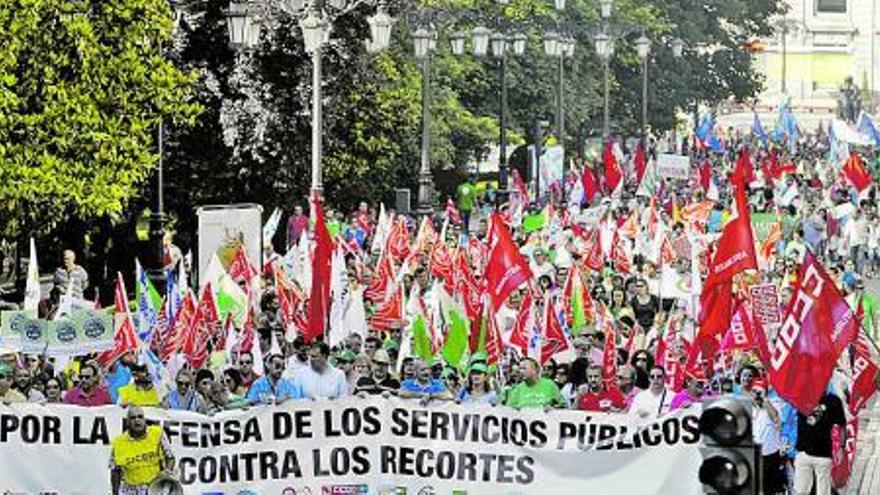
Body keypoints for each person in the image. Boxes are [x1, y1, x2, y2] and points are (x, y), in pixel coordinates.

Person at [110, 406, 175, 495]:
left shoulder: (157, 433)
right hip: (130, 489)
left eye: (140, 417)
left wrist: (166, 473)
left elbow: (170, 458)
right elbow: (115, 471)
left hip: (154, 487)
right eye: (133, 418)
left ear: (145, 419)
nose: (137, 420)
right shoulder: (118, 442)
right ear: (128, 422)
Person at [794, 391, 846, 495]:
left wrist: (841, 447)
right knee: (801, 491)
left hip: (823, 455)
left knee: (823, 492)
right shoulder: (800, 397)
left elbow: (842, 425)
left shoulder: (833, 400)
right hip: (803, 453)